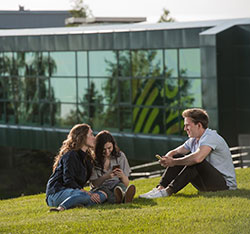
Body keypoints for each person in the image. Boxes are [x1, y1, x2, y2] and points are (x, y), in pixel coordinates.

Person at [140, 108, 237, 199]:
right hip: (206, 183)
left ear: (198, 125)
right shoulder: (194, 139)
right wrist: (169, 157)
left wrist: (173, 162)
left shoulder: (210, 137)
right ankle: (160, 189)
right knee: (179, 157)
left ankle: (168, 191)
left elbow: (197, 159)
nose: (185, 129)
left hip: (224, 185)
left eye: (187, 125)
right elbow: (177, 152)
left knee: (196, 161)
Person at [46, 123, 107, 212]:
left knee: (103, 195)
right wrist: (88, 194)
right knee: (85, 196)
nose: (94, 138)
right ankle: (62, 208)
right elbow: (69, 181)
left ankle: (78, 203)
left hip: (75, 193)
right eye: (91, 134)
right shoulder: (71, 155)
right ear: (82, 137)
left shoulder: (88, 158)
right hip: (57, 193)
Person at [90, 130, 136, 204]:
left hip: (117, 185)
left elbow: (126, 183)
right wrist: (106, 177)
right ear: (98, 149)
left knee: (120, 186)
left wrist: (122, 176)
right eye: (103, 149)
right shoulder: (93, 160)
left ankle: (123, 196)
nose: (107, 152)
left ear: (113, 145)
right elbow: (95, 184)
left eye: (109, 148)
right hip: (101, 187)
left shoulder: (120, 156)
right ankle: (122, 199)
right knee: (105, 191)